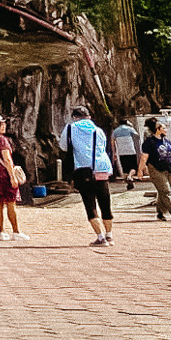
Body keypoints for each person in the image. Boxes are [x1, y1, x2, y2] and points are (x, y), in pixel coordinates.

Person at [60, 105, 114, 245]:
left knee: (90, 204)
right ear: (89, 116)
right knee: (105, 202)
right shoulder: (98, 130)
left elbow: (64, 146)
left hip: (83, 170)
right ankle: (109, 235)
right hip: (101, 168)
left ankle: (101, 237)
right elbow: (103, 147)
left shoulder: (70, 128)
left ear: (74, 117)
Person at [0, 112, 28, 242]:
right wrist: (12, 177)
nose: (4, 126)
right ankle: (15, 231)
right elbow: (7, 159)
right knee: (11, 203)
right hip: (5, 175)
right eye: (2, 124)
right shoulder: (3, 140)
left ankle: (1, 232)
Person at [139, 116, 171, 221]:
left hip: (169, 168)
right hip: (156, 169)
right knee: (165, 190)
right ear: (157, 129)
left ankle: (161, 212)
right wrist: (140, 170)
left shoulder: (166, 141)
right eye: (163, 128)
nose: (166, 130)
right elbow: (144, 157)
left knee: (164, 191)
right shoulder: (149, 142)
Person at [111, 116, 140, 189]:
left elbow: (112, 142)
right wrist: (131, 126)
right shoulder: (129, 129)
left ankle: (129, 183)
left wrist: (114, 152)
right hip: (131, 150)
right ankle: (130, 177)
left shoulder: (116, 131)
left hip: (121, 152)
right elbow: (137, 135)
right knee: (133, 168)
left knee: (125, 168)